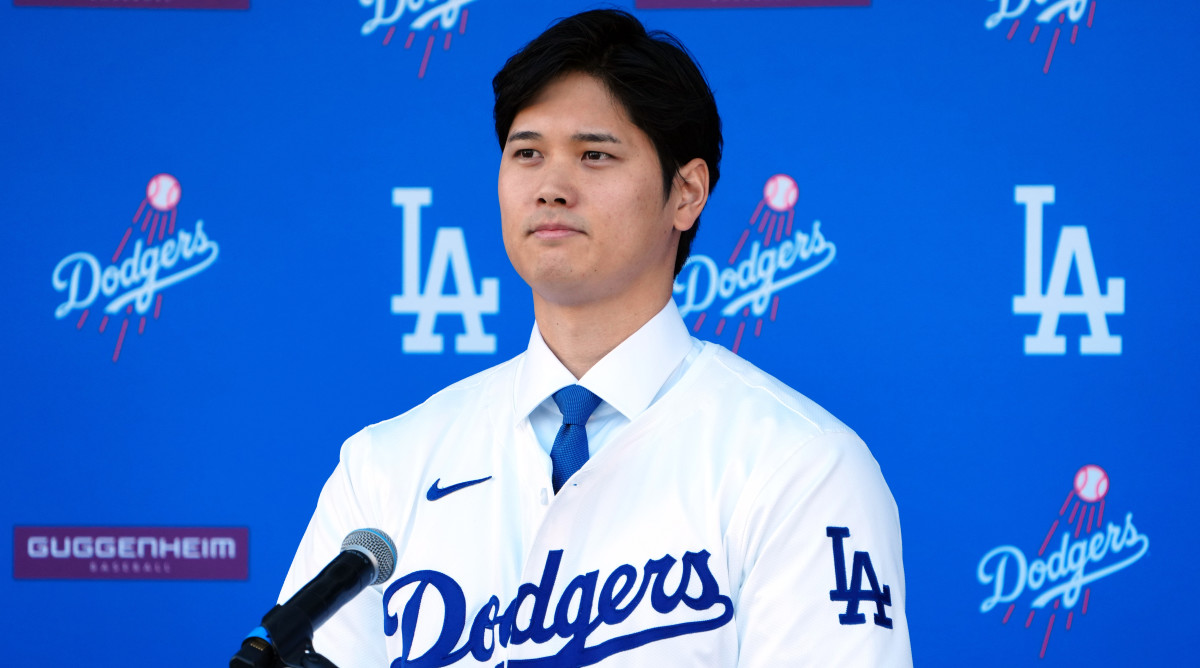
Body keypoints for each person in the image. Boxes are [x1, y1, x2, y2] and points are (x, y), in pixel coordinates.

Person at [279, 9, 911, 666]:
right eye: (527, 154)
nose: (551, 188)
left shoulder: (800, 467)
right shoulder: (385, 467)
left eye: (595, 155)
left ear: (686, 193)